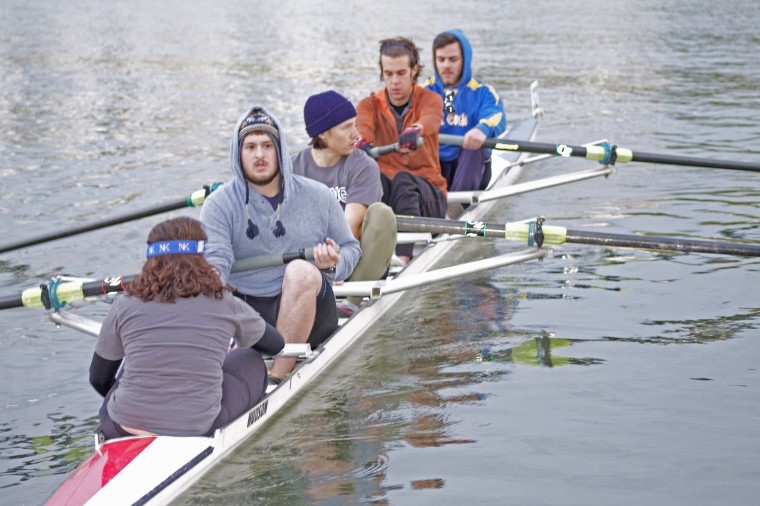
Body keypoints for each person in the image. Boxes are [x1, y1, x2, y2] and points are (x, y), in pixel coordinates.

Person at [200, 106, 361, 384]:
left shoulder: (318, 196)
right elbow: (217, 258)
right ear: (238, 154)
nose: (259, 155)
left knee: (299, 270)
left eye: (266, 145)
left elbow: (351, 248)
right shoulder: (219, 205)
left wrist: (334, 262)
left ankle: (277, 377)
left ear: (280, 150)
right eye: (250, 147)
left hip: (310, 310)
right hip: (249, 311)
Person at [89, 217, 285, 440]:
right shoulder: (224, 302)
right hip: (199, 427)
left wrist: (143, 403)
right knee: (249, 357)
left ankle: (138, 415)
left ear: (150, 261)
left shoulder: (124, 304)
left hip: (121, 426)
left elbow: (98, 378)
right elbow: (275, 345)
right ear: (202, 257)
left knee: (129, 363)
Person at [292, 90, 397, 317]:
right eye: (346, 127)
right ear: (322, 133)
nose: (356, 135)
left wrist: (334, 270)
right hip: (313, 263)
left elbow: (350, 227)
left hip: (353, 261)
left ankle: (350, 303)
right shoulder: (292, 170)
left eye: (355, 125)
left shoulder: (364, 167)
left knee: (382, 214)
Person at [355, 36, 447, 262]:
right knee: (370, 179)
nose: (394, 81)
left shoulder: (431, 100)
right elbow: (362, 130)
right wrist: (360, 145)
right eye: (388, 74)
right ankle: (352, 250)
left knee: (404, 181)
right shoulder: (369, 105)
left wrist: (416, 129)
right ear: (382, 71)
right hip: (390, 193)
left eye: (401, 73)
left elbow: (430, 120)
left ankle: (403, 259)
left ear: (414, 70)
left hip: (430, 195)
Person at [425, 29, 507, 192]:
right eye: (441, 60)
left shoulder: (483, 92)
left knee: (474, 147)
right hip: (434, 168)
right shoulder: (423, 91)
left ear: (465, 60)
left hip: (469, 167)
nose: (446, 65)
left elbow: (496, 115)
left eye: (453, 59)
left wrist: (481, 129)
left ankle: (455, 209)